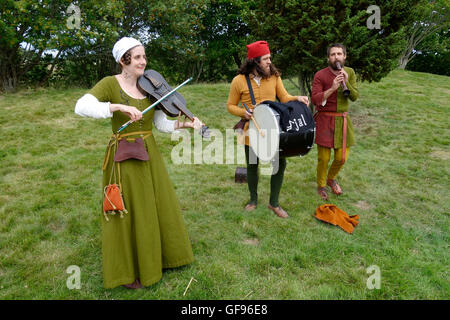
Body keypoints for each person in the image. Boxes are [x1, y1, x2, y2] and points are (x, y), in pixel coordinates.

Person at [74, 37, 203, 289]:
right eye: (138, 57)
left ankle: (160, 257)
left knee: (154, 205)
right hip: (123, 157)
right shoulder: (111, 84)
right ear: (124, 60)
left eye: (144, 57)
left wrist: (187, 124)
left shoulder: (148, 87)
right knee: (128, 210)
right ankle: (129, 269)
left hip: (149, 153)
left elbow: (160, 124)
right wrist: (117, 107)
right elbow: (81, 106)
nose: (143, 61)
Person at [227, 40, 309, 218]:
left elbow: (284, 96)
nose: (269, 62)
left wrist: (297, 98)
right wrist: (243, 112)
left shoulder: (274, 77)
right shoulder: (238, 81)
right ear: (255, 61)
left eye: (269, 58)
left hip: (273, 130)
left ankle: (274, 203)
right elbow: (230, 106)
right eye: (265, 59)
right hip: (250, 131)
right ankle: (253, 200)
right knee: (252, 165)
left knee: (279, 163)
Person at [311, 43, 358, 200]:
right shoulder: (320, 75)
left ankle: (331, 178)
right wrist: (332, 88)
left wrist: (347, 82)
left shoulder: (350, 72)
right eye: (333, 54)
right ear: (328, 58)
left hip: (343, 121)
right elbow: (316, 99)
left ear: (344, 56)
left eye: (339, 54)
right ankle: (321, 185)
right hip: (325, 119)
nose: (336, 57)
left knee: (341, 158)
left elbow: (354, 96)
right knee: (323, 158)